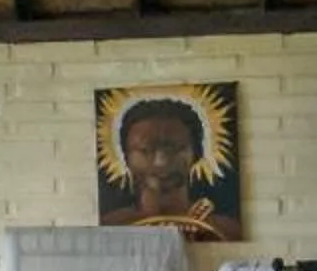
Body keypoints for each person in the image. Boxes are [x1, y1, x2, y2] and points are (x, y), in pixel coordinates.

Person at [104, 96, 243, 241]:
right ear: (125, 156)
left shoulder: (227, 230)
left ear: (197, 154)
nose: (160, 162)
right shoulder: (111, 228)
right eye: (145, 150)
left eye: (175, 149)